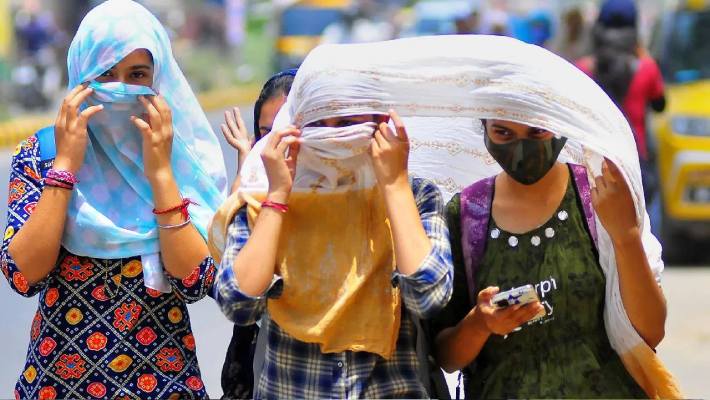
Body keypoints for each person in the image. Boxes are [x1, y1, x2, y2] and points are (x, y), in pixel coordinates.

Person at [390, 35, 681, 399]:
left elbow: (650, 331)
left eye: (536, 132)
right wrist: (481, 324)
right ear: (484, 130)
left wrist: (625, 236)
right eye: (503, 133)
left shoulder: (596, 199)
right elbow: (446, 356)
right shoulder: (467, 213)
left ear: (558, 127)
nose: (521, 147)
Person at [1, 1, 227, 398]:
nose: (120, 89)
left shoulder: (181, 159)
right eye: (105, 73)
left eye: (137, 75)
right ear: (81, 73)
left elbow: (196, 281)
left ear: (158, 80)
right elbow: (23, 275)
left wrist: (159, 174)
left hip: (164, 383)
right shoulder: (42, 154)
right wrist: (67, 166)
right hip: (60, 384)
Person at [208, 40, 454, 398]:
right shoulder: (264, 196)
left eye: (349, 122)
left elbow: (429, 295)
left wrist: (394, 184)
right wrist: (278, 197)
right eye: (320, 123)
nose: (334, 135)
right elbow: (238, 303)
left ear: (380, 123)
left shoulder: (415, 196)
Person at [218, 69, 296, 399]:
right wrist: (248, 172)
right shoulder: (254, 200)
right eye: (265, 134)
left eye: (288, 130)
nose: (276, 145)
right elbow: (234, 292)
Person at [576, 0, 665, 202]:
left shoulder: (582, 69)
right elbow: (660, 105)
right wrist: (644, 53)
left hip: (592, 168)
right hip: (635, 165)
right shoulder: (647, 68)